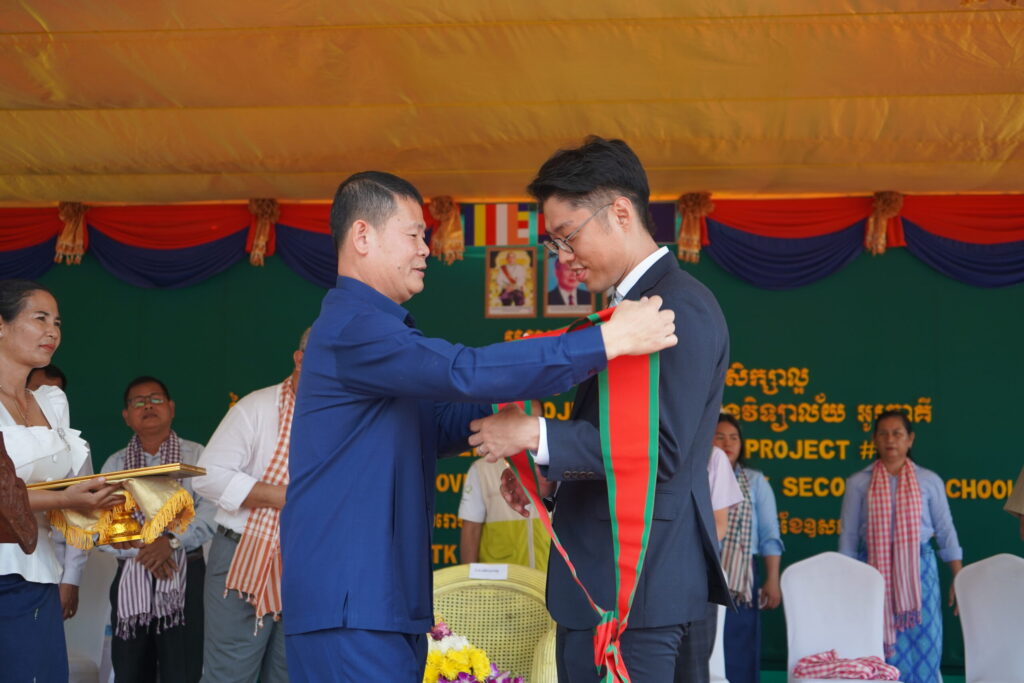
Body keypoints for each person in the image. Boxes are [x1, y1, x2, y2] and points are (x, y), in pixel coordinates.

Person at [280, 170, 677, 682]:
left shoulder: (377, 331)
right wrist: (604, 340)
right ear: (362, 236)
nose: (426, 249)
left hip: (382, 600)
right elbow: (461, 371)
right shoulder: (355, 328)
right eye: (414, 234)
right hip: (351, 602)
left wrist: (519, 427)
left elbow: (442, 423)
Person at [468, 136, 732, 682]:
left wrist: (534, 433)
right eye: (553, 244)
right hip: (607, 584)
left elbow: (660, 452)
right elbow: (614, 441)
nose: (563, 259)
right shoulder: (627, 312)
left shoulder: (676, 308)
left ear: (619, 212)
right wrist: (549, 477)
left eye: (567, 237)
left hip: (638, 588)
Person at [0, 279, 123, 682]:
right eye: (39, 318)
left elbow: (74, 488)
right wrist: (67, 499)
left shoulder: (52, 402)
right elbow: (61, 496)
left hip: (39, 572)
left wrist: (130, 503)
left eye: (57, 322)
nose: (52, 331)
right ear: (1, 325)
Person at [193, 329, 310, 683]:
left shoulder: (339, 414)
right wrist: (286, 497)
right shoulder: (257, 407)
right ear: (300, 359)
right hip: (244, 555)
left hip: (307, 559)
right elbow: (206, 476)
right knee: (231, 674)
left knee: (290, 673)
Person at [99, 376, 216, 683]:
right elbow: (103, 527)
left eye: (155, 399)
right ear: (126, 416)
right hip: (131, 577)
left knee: (184, 670)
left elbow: (212, 511)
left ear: (171, 408)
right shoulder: (114, 464)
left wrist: (173, 543)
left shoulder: (197, 455)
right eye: (138, 402)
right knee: (131, 670)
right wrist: (151, 547)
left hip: (187, 576)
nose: (147, 405)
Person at [839, 410, 963, 683]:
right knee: (875, 636)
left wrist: (958, 576)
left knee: (925, 636)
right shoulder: (859, 482)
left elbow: (945, 531)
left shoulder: (929, 481)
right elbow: (848, 537)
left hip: (920, 571)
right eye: (883, 433)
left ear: (910, 440)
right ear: (874, 440)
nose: (890, 440)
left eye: (897, 433)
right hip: (873, 571)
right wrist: (845, 582)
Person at [714, 413, 783, 683]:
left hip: (742, 578)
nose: (728, 443)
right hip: (704, 570)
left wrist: (773, 579)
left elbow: (769, 535)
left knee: (739, 647)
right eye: (719, 436)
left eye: (734, 438)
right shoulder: (696, 475)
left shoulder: (755, 481)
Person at [459, 457, 550, 571]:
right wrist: (469, 580)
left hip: (550, 578)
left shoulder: (559, 466)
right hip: (500, 581)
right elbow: (471, 529)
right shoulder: (482, 469)